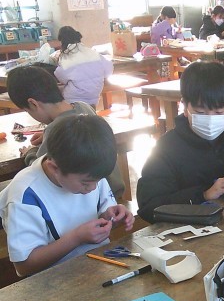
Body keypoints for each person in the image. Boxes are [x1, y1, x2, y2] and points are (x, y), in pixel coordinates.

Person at [0, 114, 134, 277]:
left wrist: (111, 217)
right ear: (54, 168)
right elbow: (24, 266)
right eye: (85, 183)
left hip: (98, 265)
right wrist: (77, 238)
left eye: (98, 181)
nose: (93, 188)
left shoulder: (89, 171)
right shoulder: (24, 195)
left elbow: (102, 212)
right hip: (53, 280)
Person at [136, 62, 224, 223]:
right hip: (187, 230)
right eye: (200, 112)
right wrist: (204, 194)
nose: (210, 120)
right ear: (184, 106)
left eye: (218, 112)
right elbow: (149, 206)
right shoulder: (166, 148)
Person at [6, 65, 126, 199]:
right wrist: (50, 136)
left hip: (94, 197)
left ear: (33, 104)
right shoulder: (83, 107)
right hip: (113, 190)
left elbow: (42, 172)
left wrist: (30, 152)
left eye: (27, 111)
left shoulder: (55, 128)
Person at [50, 26, 113, 108]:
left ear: (62, 41)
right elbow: (109, 71)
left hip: (74, 99)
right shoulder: (92, 52)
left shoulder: (66, 57)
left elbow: (61, 78)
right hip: (94, 97)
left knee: (54, 91)